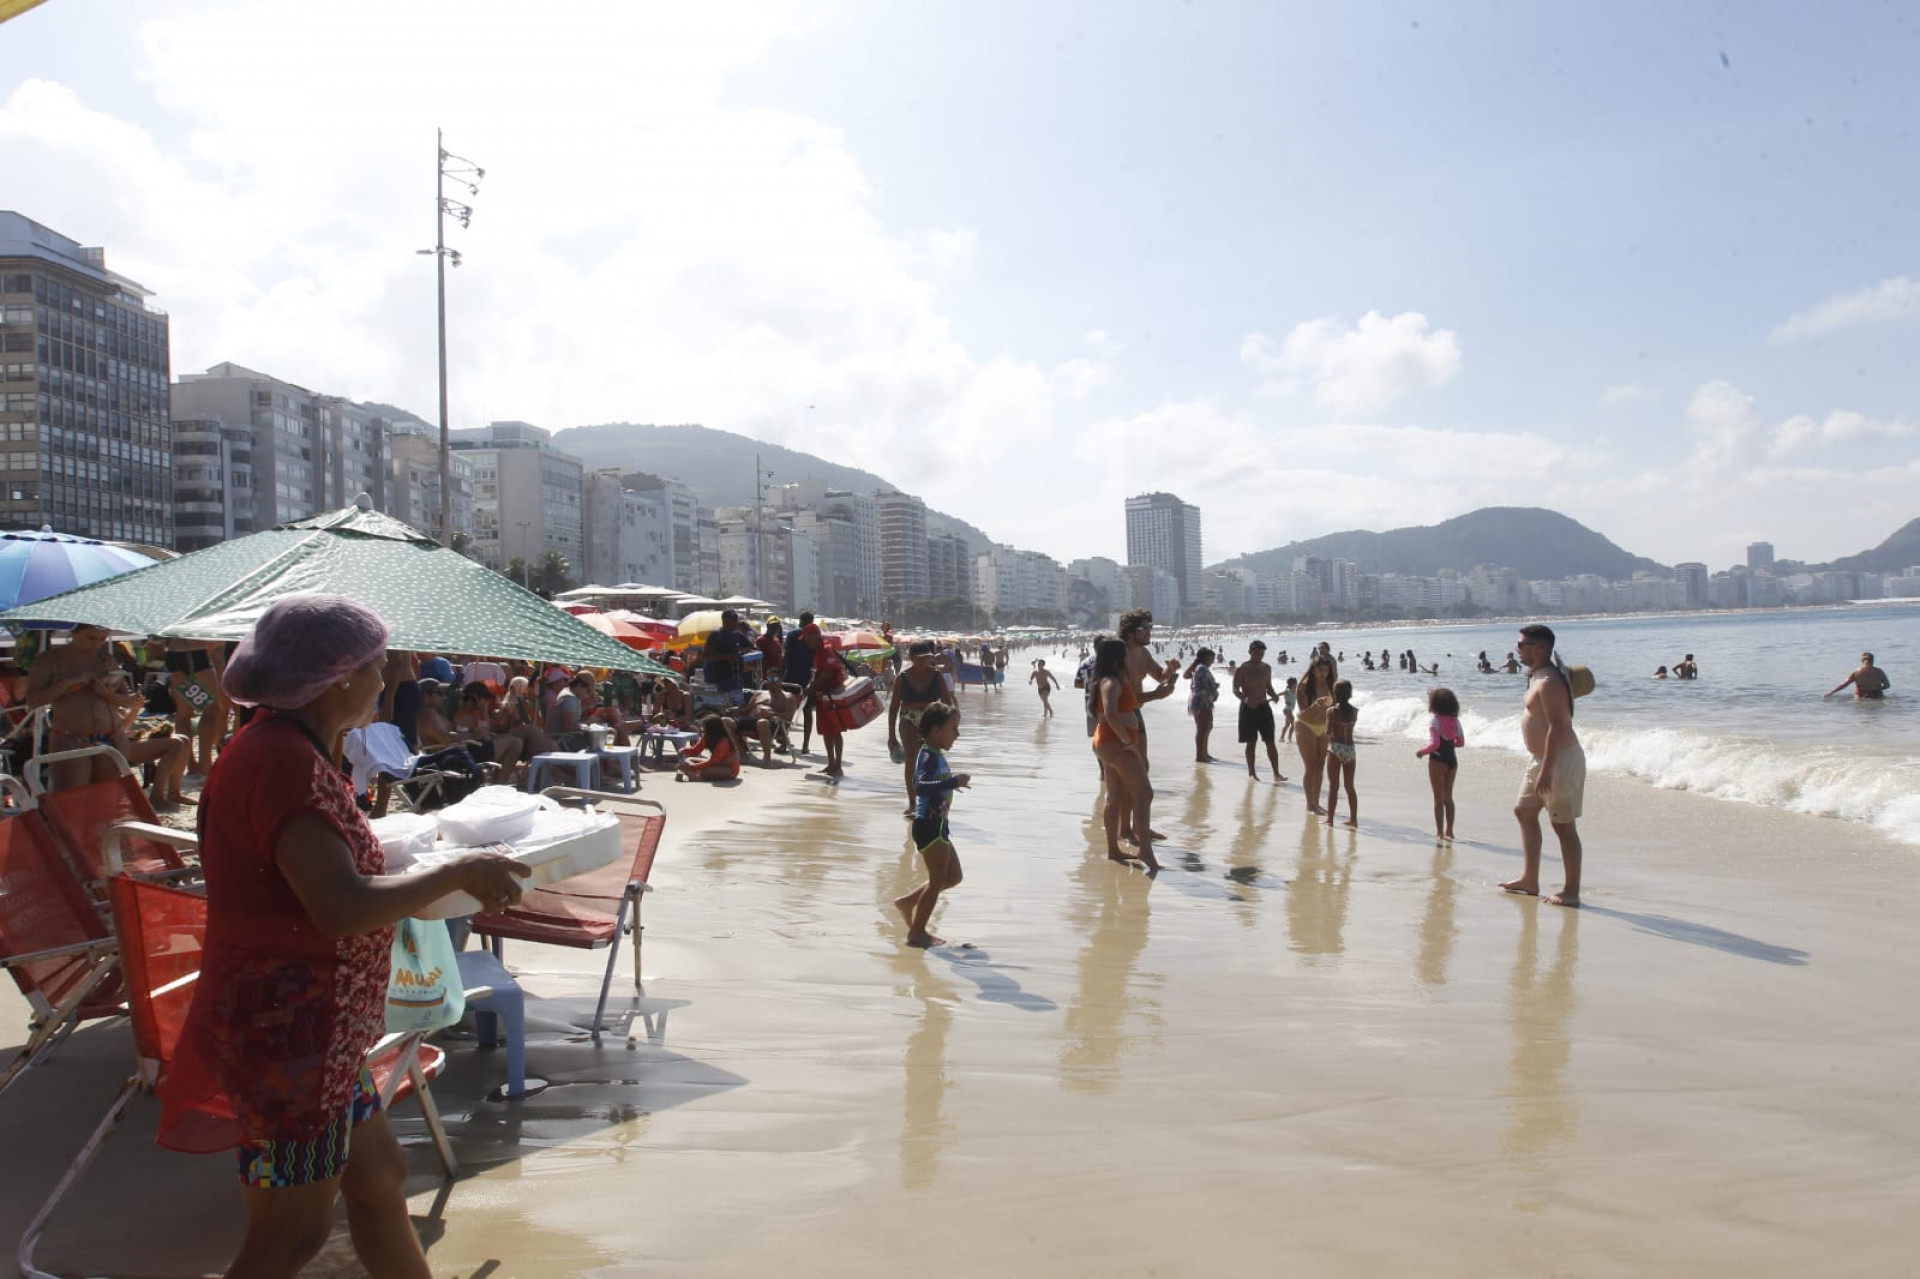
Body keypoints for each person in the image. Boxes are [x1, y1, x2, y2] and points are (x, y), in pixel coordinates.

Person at [162, 593, 527, 1278]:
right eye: (376, 665)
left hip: (320, 1037)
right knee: (290, 1236)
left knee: (380, 1175)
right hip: (288, 1037)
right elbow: (337, 906)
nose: (386, 678)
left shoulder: (290, 749)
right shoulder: (281, 762)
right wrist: (457, 870)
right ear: (336, 679)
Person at [24, 622, 193, 808]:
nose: (96, 643)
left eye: (102, 639)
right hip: (71, 736)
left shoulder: (106, 658)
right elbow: (33, 701)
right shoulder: (50, 660)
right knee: (72, 802)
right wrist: (67, 685)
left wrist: (108, 694)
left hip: (111, 734)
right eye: (91, 638)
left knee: (105, 802)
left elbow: (127, 700)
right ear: (74, 633)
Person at [1502, 623, 1586, 907]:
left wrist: (1548, 769)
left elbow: (1558, 727)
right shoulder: (1536, 675)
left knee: (1563, 825)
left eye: (1522, 644)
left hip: (1559, 760)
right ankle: (1529, 879)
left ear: (1540, 648)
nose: (1518, 649)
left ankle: (1571, 891)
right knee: (1524, 811)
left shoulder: (1549, 681)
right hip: (1540, 759)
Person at [891, 704, 970, 947]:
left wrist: (949, 784)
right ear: (936, 730)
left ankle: (908, 902)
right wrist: (952, 782)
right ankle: (917, 932)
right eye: (953, 728)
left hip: (939, 825)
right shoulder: (927, 756)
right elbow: (920, 786)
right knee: (937, 881)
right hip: (928, 824)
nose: (957, 734)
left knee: (953, 876)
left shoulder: (935, 754)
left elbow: (933, 785)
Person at [1090, 636, 1160, 874]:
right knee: (1144, 793)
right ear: (1117, 657)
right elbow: (1110, 714)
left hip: (1109, 743)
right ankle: (1145, 850)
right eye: (1125, 654)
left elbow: (1126, 707)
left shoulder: (1114, 680)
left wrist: (1158, 693)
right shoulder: (1110, 682)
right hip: (1116, 744)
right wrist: (1128, 742)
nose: (1129, 657)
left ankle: (1113, 849)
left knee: (1115, 795)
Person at [888, 641, 955, 814]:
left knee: (928, 758)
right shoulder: (902, 677)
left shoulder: (937, 676)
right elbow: (893, 708)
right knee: (911, 756)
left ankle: (928, 799)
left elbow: (947, 703)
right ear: (911, 658)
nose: (925, 661)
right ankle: (912, 802)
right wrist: (891, 736)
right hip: (908, 718)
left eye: (927, 658)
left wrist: (950, 728)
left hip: (930, 719)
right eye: (920, 658)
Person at [1415, 687, 1465, 841]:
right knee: (1448, 798)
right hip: (1452, 760)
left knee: (1438, 799)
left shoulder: (1435, 721)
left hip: (1437, 760)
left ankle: (1439, 832)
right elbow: (1460, 742)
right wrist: (1449, 744)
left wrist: (1422, 752)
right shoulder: (1455, 721)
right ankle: (1450, 830)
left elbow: (1435, 744)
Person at [1230, 641, 1285, 782]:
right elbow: (1235, 689)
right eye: (1256, 653)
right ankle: (1252, 773)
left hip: (1264, 707)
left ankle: (1276, 773)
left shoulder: (1266, 668)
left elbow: (1268, 686)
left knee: (1270, 741)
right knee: (1251, 742)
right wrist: (1246, 699)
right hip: (1248, 708)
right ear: (1250, 652)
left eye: (1261, 653)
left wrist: (1273, 694)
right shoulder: (1243, 669)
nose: (1259, 656)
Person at [1293, 653, 1337, 815]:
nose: (1323, 673)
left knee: (1320, 764)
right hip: (1305, 726)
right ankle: (1309, 804)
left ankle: (1316, 802)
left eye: (1326, 670)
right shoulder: (1304, 686)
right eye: (1320, 670)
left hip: (1323, 727)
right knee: (1310, 765)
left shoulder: (1331, 685)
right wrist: (1316, 706)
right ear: (1313, 670)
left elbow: (1334, 709)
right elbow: (1304, 713)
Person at [783, 612, 823, 752]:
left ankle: (783, 742)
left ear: (800, 622)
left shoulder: (793, 635)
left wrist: (781, 674)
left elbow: (786, 656)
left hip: (792, 676)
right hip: (808, 677)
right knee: (807, 711)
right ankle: (805, 745)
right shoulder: (817, 637)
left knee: (787, 710)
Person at [1323, 679, 1359, 826]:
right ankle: (1353, 819)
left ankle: (1330, 819)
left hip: (1336, 748)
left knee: (1334, 786)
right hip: (1350, 749)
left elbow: (1328, 731)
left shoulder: (1331, 711)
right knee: (1350, 786)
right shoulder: (1355, 711)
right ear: (1350, 693)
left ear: (1335, 694)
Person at [701, 610, 754, 703]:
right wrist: (726, 657)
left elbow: (750, 646)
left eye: (736, 620)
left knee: (738, 704)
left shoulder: (737, 634)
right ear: (724, 621)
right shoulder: (716, 635)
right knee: (725, 705)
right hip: (718, 678)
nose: (735, 623)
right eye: (732, 621)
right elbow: (705, 656)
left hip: (735, 676)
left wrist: (741, 653)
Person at [675, 715, 743, 782]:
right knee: (688, 759)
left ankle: (694, 774)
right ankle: (691, 772)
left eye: (704, 728)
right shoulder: (707, 737)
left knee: (705, 771)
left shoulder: (723, 742)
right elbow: (696, 750)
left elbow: (713, 762)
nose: (702, 730)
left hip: (728, 768)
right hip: (716, 764)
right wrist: (683, 750)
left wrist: (693, 767)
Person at [1187, 647, 1219, 762]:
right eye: (1211, 658)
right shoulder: (1202, 668)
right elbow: (1206, 685)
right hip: (1202, 699)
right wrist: (1215, 687)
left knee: (1207, 726)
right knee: (1203, 728)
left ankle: (1204, 753)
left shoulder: (1199, 667)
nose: (1213, 661)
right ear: (1205, 657)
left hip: (1202, 699)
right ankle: (1200, 755)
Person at [1825, 653, 1890, 700]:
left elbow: (1844, 684)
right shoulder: (1879, 671)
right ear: (1872, 661)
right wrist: (1877, 688)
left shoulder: (1856, 672)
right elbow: (1887, 685)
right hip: (1877, 695)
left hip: (1861, 695)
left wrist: (1831, 692)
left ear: (1862, 661)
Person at [754, 618, 785, 687]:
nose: (775, 628)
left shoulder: (777, 640)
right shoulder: (760, 640)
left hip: (777, 675)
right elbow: (758, 659)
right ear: (768, 626)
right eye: (772, 626)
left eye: (777, 626)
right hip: (765, 676)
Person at [1280, 676, 1298, 742]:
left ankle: (1281, 738)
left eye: (1296, 683)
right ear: (1292, 684)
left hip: (1290, 710)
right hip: (1287, 710)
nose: (1296, 685)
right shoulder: (1287, 691)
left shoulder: (1295, 691)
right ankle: (1289, 739)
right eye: (1295, 684)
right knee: (1293, 724)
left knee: (1287, 725)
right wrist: (1271, 699)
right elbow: (1279, 694)